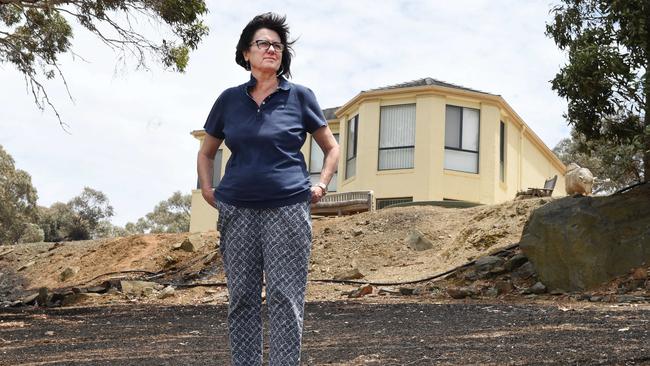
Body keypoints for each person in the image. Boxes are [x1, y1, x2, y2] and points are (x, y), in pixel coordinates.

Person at [196, 12, 340, 366]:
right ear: (246, 53)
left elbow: (331, 147)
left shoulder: (301, 96)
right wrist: (207, 188)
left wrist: (321, 183)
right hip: (238, 211)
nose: (271, 49)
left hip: (288, 209)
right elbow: (206, 151)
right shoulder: (228, 100)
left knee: (285, 298)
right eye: (263, 43)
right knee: (242, 299)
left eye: (277, 45)